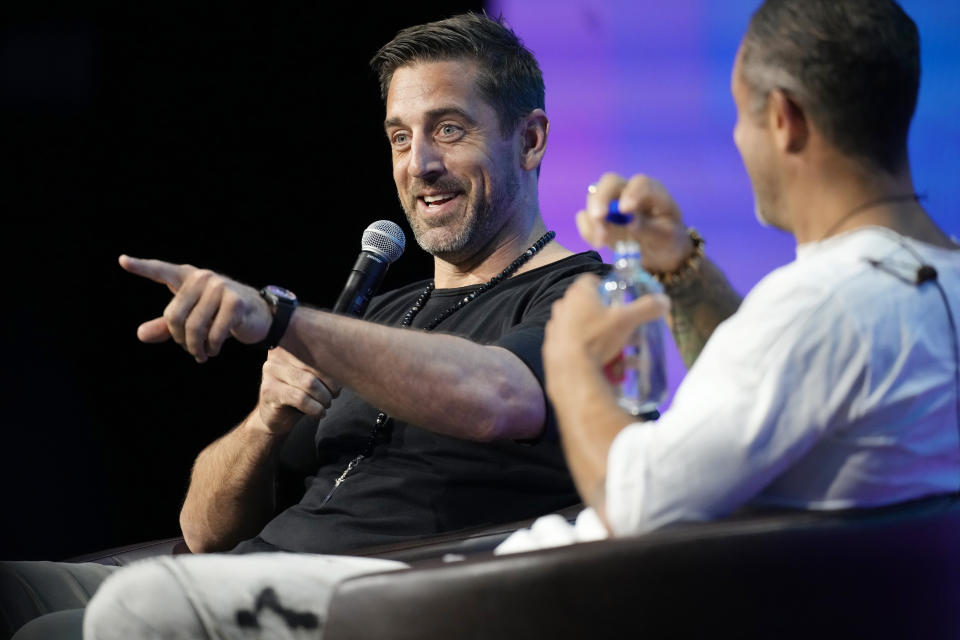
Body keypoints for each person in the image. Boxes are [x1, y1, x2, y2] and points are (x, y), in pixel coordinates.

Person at [1, 13, 607, 639]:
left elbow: (499, 399)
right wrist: (266, 420)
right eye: (399, 138)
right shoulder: (379, 315)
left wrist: (282, 319)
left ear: (530, 140)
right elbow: (204, 533)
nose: (418, 163)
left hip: (383, 594)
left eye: (449, 129)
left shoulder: (589, 294)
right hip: (253, 577)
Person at [499, 0, 959, 554]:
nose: (739, 138)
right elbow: (772, 385)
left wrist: (569, 357)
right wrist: (677, 264)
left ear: (785, 120)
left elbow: (633, 505)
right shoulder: (922, 283)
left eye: (740, 114)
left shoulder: (821, 305)